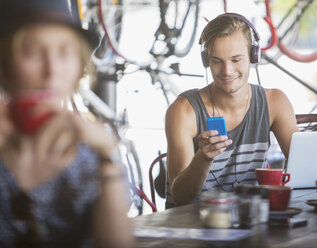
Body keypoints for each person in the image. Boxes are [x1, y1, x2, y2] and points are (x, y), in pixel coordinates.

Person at [0, 0, 134, 247]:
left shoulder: (91, 151)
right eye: (33, 52)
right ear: (5, 63)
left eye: (66, 52)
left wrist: (108, 153)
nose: (52, 71)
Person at [164, 13, 299, 208]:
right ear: (206, 61)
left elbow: (307, 169)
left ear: (253, 56)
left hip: (248, 220)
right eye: (217, 61)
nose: (227, 70)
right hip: (191, 225)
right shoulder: (183, 111)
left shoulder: (275, 102)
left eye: (236, 59)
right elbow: (180, 197)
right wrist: (203, 158)